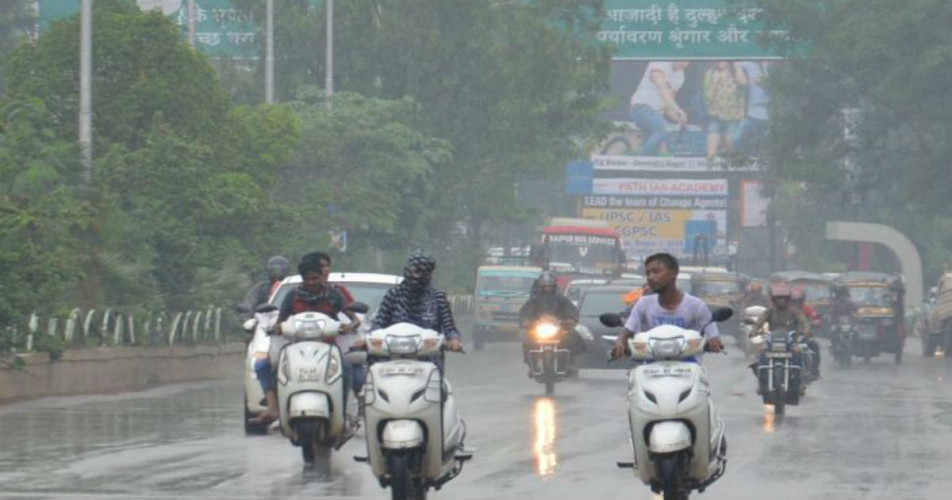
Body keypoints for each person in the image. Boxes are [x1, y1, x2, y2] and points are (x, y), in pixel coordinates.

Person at [251, 252, 361, 425]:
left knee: (346, 369)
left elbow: (353, 318)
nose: (311, 283)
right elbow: (281, 320)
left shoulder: (334, 295)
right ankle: (275, 409)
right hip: (296, 348)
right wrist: (277, 328)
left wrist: (349, 326)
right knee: (264, 365)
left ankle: (343, 413)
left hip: (328, 348)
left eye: (314, 278)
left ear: (322, 277)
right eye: (307, 279)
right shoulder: (292, 296)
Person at [612, 253, 724, 359]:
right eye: (648, 273)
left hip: (689, 364)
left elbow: (712, 332)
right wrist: (620, 342)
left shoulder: (696, 305)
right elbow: (628, 330)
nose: (650, 277)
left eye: (656, 272)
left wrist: (714, 341)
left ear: (673, 273)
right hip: (651, 364)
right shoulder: (643, 303)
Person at [372, 251, 464, 354]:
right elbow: (378, 324)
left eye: (425, 272)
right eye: (416, 270)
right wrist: (367, 339)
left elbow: (450, 328)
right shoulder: (393, 295)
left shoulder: (438, 298)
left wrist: (454, 340)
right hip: (392, 356)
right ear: (407, 269)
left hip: (429, 358)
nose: (419, 276)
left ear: (430, 274)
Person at [519, 271, 584, 374]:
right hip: (537, 328)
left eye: (549, 286)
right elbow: (525, 311)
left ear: (554, 286)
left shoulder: (561, 299)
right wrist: (525, 321)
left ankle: (571, 364)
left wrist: (571, 319)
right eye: (545, 286)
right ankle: (532, 365)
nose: (547, 288)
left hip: (559, 328)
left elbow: (571, 309)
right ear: (540, 286)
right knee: (527, 341)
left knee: (574, 338)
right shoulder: (534, 300)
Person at [630, 61, 691, 155]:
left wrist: (677, 116)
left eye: (688, 61)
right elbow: (661, 87)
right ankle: (639, 161)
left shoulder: (680, 76)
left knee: (654, 151)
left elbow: (668, 104)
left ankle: (642, 161)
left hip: (656, 114)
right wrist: (677, 109)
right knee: (664, 129)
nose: (684, 64)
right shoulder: (660, 63)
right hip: (640, 107)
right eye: (682, 59)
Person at [702, 61, 746, 159]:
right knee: (712, 143)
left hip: (732, 114)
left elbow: (743, 83)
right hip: (715, 114)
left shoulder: (736, 71)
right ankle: (711, 166)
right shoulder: (711, 73)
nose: (721, 61)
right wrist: (715, 83)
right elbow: (707, 96)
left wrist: (736, 68)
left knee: (730, 143)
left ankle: (730, 167)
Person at [791, 287, 822, 379]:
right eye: (794, 301)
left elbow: (814, 316)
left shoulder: (807, 308)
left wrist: (816, 321)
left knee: (815, 346)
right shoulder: (786, 309)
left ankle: (815, 370)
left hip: (804, 335)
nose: (796, 303)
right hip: (790, 336)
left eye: (798, 301)